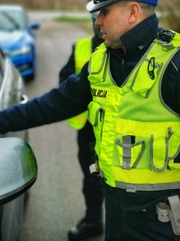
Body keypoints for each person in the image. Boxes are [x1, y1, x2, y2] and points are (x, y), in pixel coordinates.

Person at [0, 0, 180, 241]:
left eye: (104, 12)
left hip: (171, 225)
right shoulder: (101, 60)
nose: (97, 21)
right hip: (117, 217)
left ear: (133, 12)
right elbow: (56, 103)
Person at [59, 14, 105, 240]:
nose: (99, 23)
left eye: (105, 15)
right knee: (91, 178)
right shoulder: (81, 48)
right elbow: (64, 86)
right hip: (88, 129)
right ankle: (94, 220)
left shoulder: (129, 48)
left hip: (120, 130)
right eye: (96, 17)